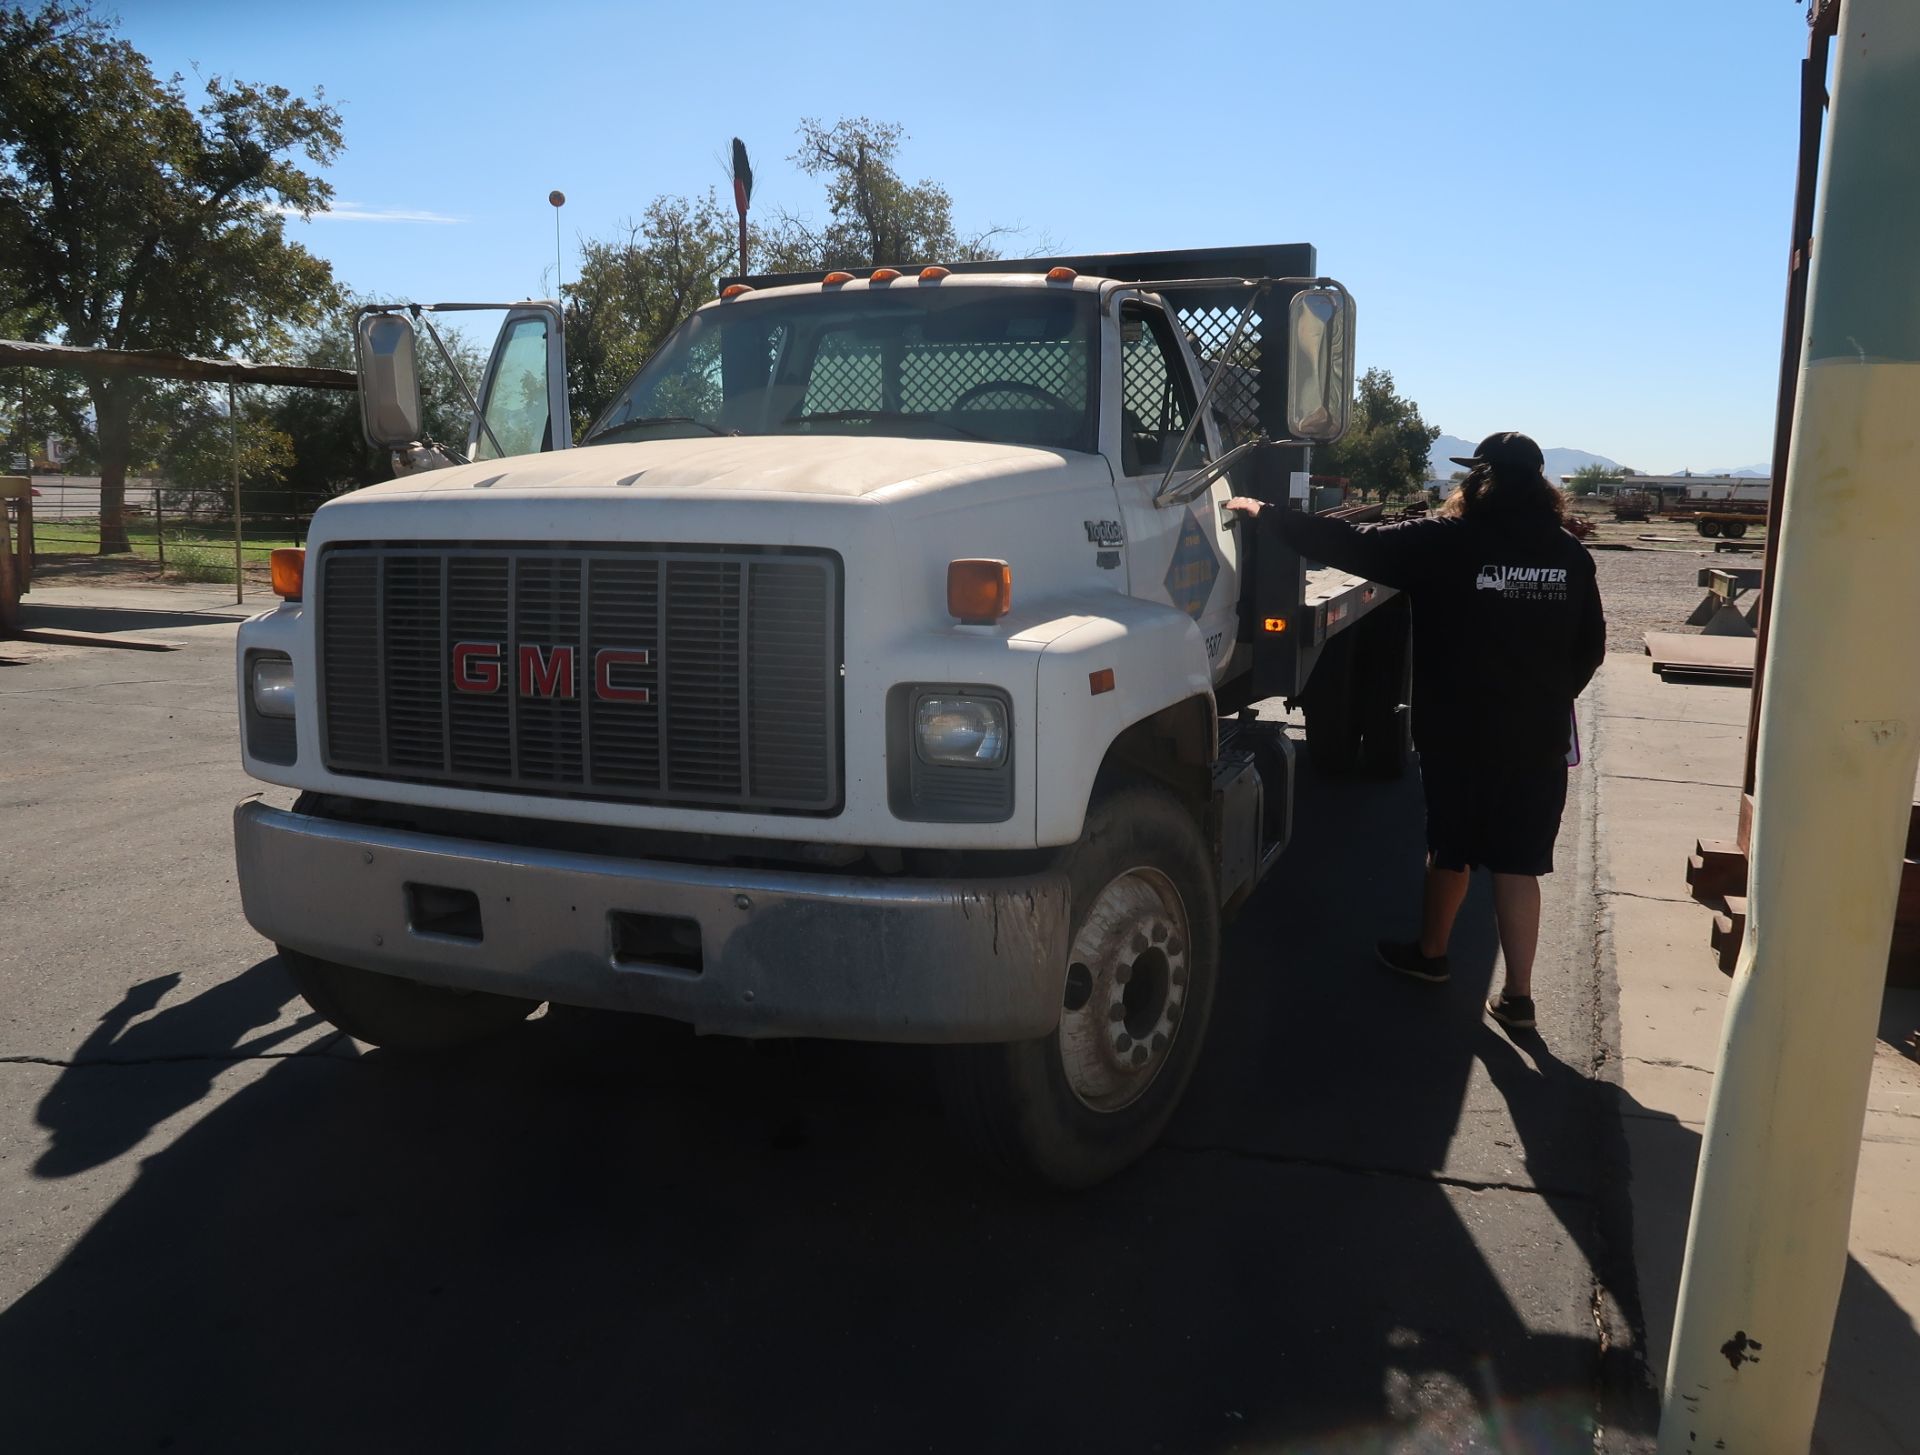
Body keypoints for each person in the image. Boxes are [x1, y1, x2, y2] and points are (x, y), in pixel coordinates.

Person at [1227, 431, 1606, 1031]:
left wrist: (1263, 513)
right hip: (1536, 735)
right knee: (1519, 862)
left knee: (1451, 845)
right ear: (1540, 487)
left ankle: (1431, 956)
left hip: (1457, 730)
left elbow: (1350, 543)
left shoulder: (1445, 542)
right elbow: (1591, 648)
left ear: (1478, 482)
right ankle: (1520, 997)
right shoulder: (1569, 555)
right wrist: (1546, 699)